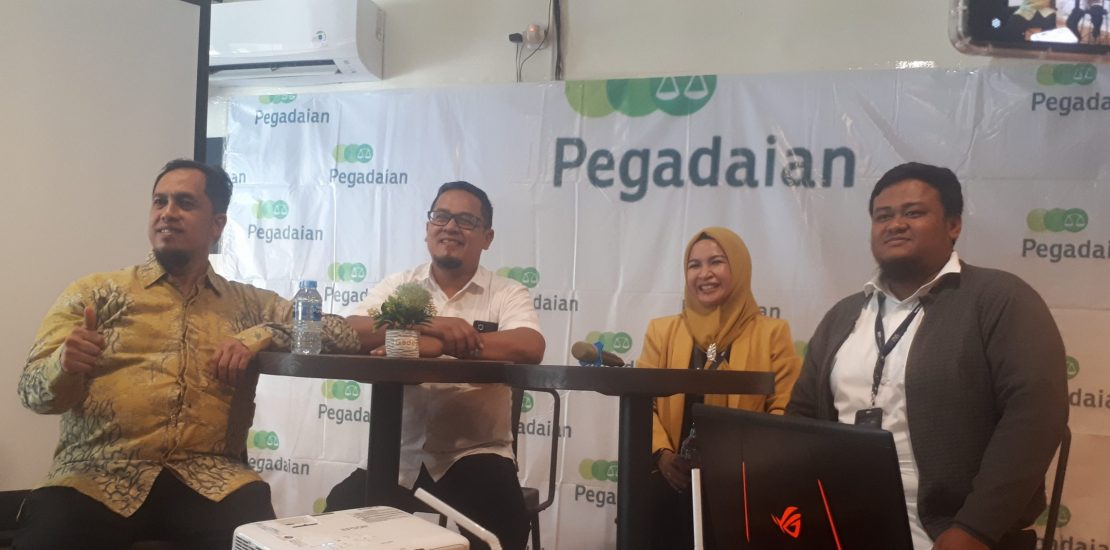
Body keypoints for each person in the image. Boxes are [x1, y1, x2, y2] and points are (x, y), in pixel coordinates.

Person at [14, 159, 361, 550]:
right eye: (159, 201)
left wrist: (262, 334)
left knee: (256, 535)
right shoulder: (95, 294)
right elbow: (31, 394)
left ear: (217, 225)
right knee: (49, 533)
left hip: (211, 480)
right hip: (95, 476)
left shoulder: (247, 304)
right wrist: (63, 366)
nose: (167, 213)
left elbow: (342, 334)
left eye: (185, 202)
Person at [787, 163, 1068, 550]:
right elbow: (801, 418)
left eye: (913, 212)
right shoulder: (843, 316)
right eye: (883, 216)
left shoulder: (1000, 298)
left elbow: (1035, 415)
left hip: (951, 533)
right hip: (838, 523)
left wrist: (976, 529)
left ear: (953, 225)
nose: (895, 224)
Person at [329, 180, 546, 550]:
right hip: (397, 453)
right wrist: (431, 326)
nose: (450, 227)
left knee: (505, 527)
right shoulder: (400, 285)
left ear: (487, 237)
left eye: (466, 220)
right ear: (428, 228)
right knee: (338, 515)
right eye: (441, 216)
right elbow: (349, 330)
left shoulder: (506, 292)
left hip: (474, 451)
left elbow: (530, 345)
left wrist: (437, 346)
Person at [636, 226, 802, 550]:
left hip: (743, 488)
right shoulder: (662, 331)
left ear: (738, 268)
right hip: (670, 484)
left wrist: (741, 464)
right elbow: (643, 403)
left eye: (716, 262)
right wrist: (662, 456)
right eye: (694, 265)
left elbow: (784, 408)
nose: (704, 274)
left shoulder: (772, 333)